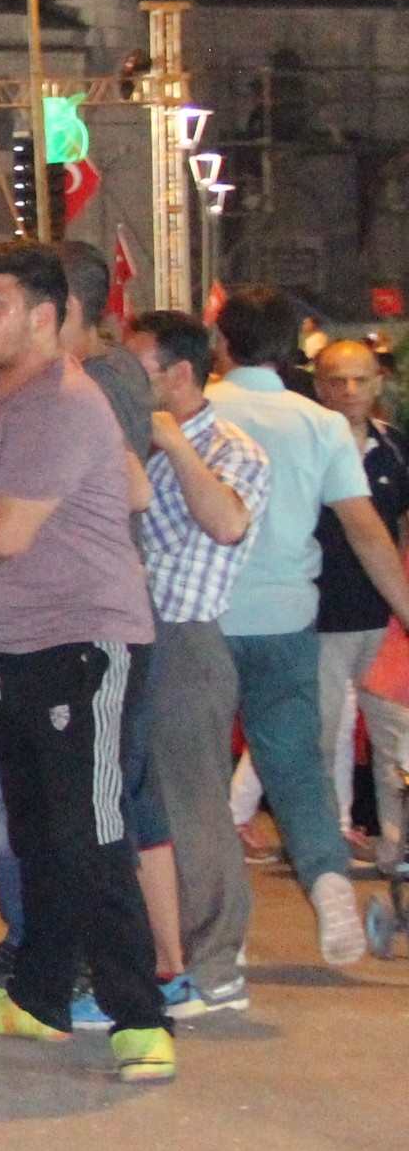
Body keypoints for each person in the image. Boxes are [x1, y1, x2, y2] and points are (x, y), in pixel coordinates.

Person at [0, 243, 170, 1077]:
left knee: (93, 830)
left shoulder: (64, 404)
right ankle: (39, 999)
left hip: (84, 644)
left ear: (46, 316)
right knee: (37, 833)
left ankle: (140, 1015)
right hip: (14, 645)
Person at [206, 284, 409, 966]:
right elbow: (367, 531)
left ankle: (219, 934)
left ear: (221, 343)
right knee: (297, 764)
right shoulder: (319, 425)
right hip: (289, 617)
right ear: (294, 350)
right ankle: (327, 882)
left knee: (195, 774)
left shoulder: (193, 412)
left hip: (198, 619)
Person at [122, 311, 268, 1015]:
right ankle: (167, 957)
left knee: (194, 808)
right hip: (135, 636)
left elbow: (228, 521)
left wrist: (176, 445)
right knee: (147, 811)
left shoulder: (232, 447)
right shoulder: (132, 439)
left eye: (139, 369)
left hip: (187, 640)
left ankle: (214, 967)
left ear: (179, 374)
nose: (127, 381)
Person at [310, 337, 409, 870]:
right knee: (322, 741)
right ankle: (327, 848)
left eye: (360, 379)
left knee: (398, 742)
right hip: (317, 623)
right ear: (318, 383)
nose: (349, 390)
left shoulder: (394, 448)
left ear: (378, 383)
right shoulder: (302, 444)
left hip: (385, 624)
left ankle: (398, 851)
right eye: (336, 379)